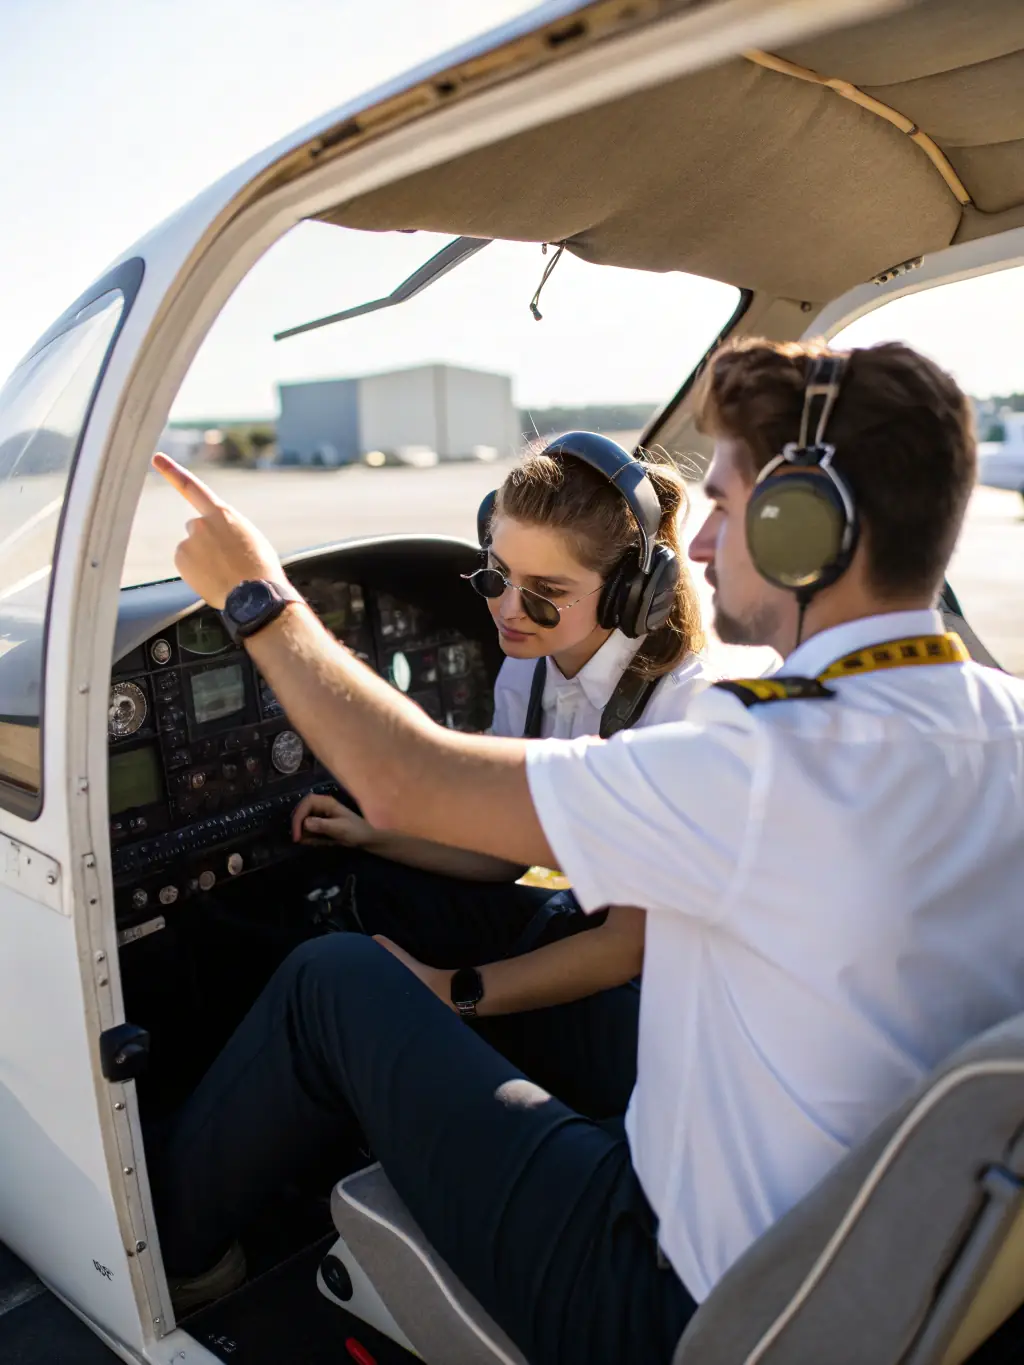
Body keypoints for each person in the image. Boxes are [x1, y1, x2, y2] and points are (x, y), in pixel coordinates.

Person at [150, 338, 1024, 1365]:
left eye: (730, 504)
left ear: (806, 530)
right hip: (868, 1272)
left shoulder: (767, 756)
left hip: (667, 1293)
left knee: (329, 981)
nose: (697, 549)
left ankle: (176, 1260)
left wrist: (254, 594)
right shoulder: (999, 719)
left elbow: (408, 775)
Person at [284, 435, 708, 1111]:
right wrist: (374, 835)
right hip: (599, 934)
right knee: (366, 885)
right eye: (495, 576)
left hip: (678, 1012)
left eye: (546, 594)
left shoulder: (685, 705)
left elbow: (627, 946)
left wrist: (451, 990)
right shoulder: (529, 665)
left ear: (633, 593)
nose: (510, 611)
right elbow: (503, 852)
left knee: (383, 1006)